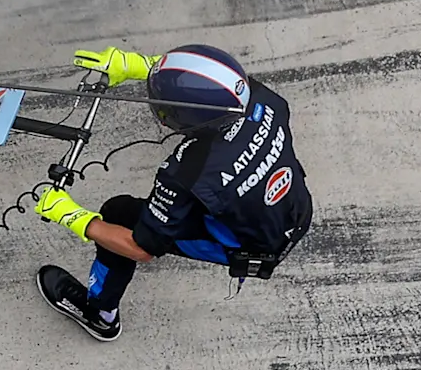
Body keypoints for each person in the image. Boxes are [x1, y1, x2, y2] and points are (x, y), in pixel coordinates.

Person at [34, 44, 312, 342]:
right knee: (206, 198)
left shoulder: (186, 172)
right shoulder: (265, 100)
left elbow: (141, 248)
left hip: (253, 244)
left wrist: (74, 217)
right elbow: (208, 75)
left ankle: (100, 314)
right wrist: (140, 66)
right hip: (293, 209)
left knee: (121, 215)